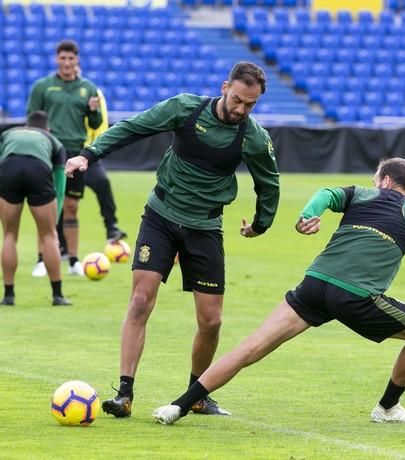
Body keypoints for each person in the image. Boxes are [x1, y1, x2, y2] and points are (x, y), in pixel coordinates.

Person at [149, 158, 405, 425]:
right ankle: (387, 408)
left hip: (315, 285)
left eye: (377, 179)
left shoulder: (360, 194)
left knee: (250, 347)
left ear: (386, 180)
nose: (375, 184)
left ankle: (178, 406)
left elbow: (327, 193)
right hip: (356, 296)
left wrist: (309, 215)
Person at [64, 61, 280, 418]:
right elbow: (134, 128)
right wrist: (89, 155)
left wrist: (261, 224)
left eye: (251, 105)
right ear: (225, 86)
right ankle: (125, 393)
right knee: (140, 301)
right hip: (161, 217)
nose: (242, 109)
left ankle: (196, 394)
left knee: (211, 321)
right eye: (238, 100)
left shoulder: (254, 137)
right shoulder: (185, 108)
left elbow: (268, 183)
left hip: (206, 228)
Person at [32, 72, 127, 278]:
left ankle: (110, 229)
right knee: (52, 204)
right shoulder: (48, 89)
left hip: (86, 153)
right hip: (59, 153)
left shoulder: (91, 92)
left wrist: (93, 146)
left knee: (92, 190)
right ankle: (48, 255)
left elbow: (98, 123)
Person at [27, 39, 105, 276]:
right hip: (48, 151)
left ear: (77, 60)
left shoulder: (88, 88)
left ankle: (73, 261)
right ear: (56, 59)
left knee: (71, 207)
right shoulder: (43, 86)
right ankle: (42, 259)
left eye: (71, 58)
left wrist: (93, 110)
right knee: (46, 207)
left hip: (74, 152)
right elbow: (32, 119)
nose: (67, 62)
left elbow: (94, 123)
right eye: (63, 58)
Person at [0, 111, 71, 306]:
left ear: (26, 125)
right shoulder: (53, 141)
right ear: (47, 129)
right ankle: (57, 295)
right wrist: (54, 218)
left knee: (8, 235)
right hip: (37, 170)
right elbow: (60, 184)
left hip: (9, 168)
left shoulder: (8, 134)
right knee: (48, 235)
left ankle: (8, 295)